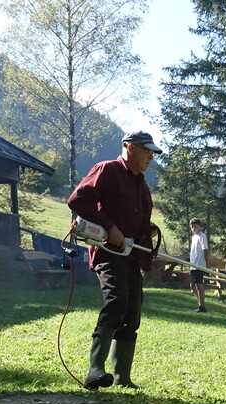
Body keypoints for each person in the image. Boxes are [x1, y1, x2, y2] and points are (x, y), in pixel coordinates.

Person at [67, 130, 163, 390]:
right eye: (147, 152)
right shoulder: (106, 170)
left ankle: (122, 378)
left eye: (153, 153)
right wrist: (109, 227)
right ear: (131, 148)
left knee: (132, 313)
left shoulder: (141, 183)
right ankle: (95, 370)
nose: (151, 158)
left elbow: (135, 217)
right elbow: (78, 200)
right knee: (116, 302)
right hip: (108, 253)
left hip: (133, 256)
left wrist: (147, 230)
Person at [188, 218, 209, 312]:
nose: (193, 228)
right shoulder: (194, 237)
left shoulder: (202, 236)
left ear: (200, 226)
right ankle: (200, 304)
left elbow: (206, 250)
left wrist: (207, 263)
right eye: (192, 227)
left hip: (199, 265)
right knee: (192, 286)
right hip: (193, 265)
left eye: (195, 226)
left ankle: (202, 306)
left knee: (198, 285)